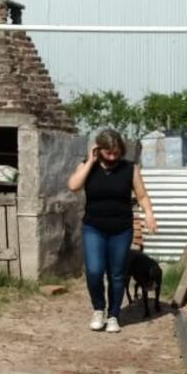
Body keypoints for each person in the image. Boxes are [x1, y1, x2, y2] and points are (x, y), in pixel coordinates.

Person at [67, 129, 157, 333]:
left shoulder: (129, 168)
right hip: (94, 228)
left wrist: (149, 214)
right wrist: (90, 162)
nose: (112, 157)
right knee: (94, 271)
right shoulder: (87, 166)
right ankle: (98, 309)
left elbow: (141, 196)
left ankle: (114, 315)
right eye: (108, 153)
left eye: (116, 153)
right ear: (98, 150)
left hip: (121, 229)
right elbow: (73, 186)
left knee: (117, 274)